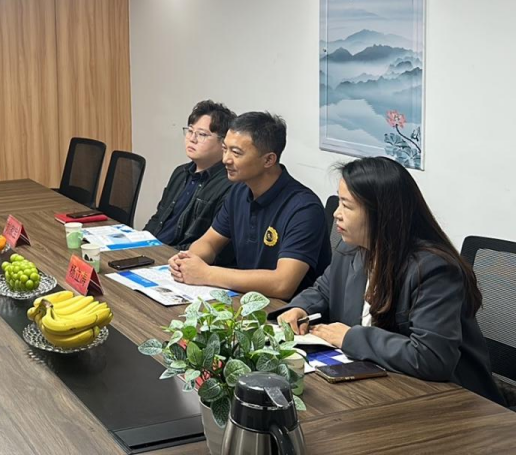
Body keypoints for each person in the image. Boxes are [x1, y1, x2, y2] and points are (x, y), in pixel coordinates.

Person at [277, 157, 503, 404]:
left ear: (381, 214)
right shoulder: (351, 249)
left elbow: (431, 357)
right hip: (379, 384)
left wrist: (349, 338)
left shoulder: (434, 269)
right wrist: (300, 308)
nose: (336, 214)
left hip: (450, 400)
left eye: (346, 206)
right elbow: (324, 290)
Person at [169, 112, 330, 299]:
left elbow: (283, 284)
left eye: (236, 153)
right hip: (245, 299)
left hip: (287, 310)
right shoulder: (239, 191)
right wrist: (188, 260)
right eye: (225, 149)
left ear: (268, 160)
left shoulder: (304, 208)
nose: (226, 159)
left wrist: (207, 274)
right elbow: (210, 243)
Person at [143, 100, 236, 263]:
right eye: (190, 131)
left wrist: (159, 254)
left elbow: (210, 244)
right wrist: (139, 244)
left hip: (179, 260)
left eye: (202, 134)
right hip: (153, 253)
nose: (192, 139)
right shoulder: (180, 173)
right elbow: (158, 218)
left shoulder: (229, 186)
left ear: (224, 143)